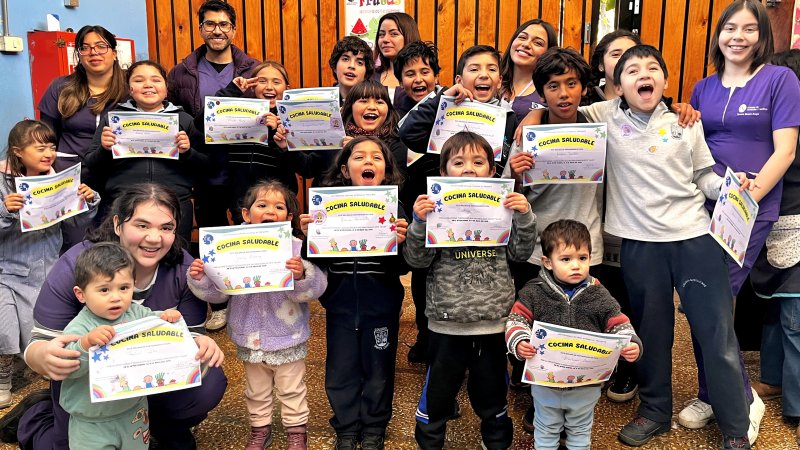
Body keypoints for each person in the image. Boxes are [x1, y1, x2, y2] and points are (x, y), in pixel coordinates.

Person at [571, 44, 752, 449]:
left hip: (694, 239)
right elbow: (556, 117)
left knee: (715, 333)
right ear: (617, 86)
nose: (643, 74)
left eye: (652, 67)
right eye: (632, 70)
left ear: (665, 81)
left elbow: (704, 175)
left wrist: (728, 187)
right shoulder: (602, 120)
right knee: (651, 334)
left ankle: (735, 425)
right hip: (640, 246)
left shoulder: (686, 123)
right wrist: (529, 115)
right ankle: (655, 411)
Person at [12, 184, 226, 450]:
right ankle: (38, 415)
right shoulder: (79, 264)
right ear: (117, 224)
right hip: (87, 392)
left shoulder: (184, 269)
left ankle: (163, 425)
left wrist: (199, 342)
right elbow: (40, 342)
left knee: (211, 378)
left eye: (166, 228)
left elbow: (191, 334)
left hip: (148, 383)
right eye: (142, 225)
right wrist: (43, 357)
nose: (154, 238)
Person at [682, 1, 800, 442]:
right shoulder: (703, 86)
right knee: (700, 301)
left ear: (762, 37)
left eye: (750, 29)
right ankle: (713, 393)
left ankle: (739, 396)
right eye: (730, 28)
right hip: (701, 204)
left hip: (750, 206)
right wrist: (683, 111)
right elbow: (690, 144)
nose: (738, 36)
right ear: (718, 34)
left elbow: (784, 150)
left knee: (712, 300)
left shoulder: (779, 80)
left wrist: (751, 192)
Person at [404, 131, 536, 450]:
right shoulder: (433, 208)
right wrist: (419, 222)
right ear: (443, 172)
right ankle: (430, 441)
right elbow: (416, 260)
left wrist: (524, 215)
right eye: (459, 162)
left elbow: (520, 254)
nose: (468, 169)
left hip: (493, 322)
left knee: (492, 391)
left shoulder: (504, 206)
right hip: (447, 321)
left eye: (478, 162)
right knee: (438, 393)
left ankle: (497, 441)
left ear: (492, 171)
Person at [502, 46, 604, 429]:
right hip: (536, 249)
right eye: (553, 86)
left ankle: (573, 397)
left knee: (576, 325)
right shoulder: (529, 134)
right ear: (541, 93)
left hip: (582, 245)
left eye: (571, 84)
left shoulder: (597, 123)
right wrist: (515, 172)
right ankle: (533, 392)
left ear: (583, 87)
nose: (563, 93)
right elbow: (508, 197)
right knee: (534, 322)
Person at [187, 181, 327, 450]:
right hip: (250, 336)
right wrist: (202, 278)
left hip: (289, 336)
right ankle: (259, 429)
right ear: (246, 214)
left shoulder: (296, 247)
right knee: (256, 390)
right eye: (261, 205)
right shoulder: (226, 247)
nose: (270, 211)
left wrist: (301, 275)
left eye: (278, 207)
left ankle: (296, 432)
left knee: (292, 389)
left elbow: (315, 288)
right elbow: (219, 295)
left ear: (288, 218)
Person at [299, 136, 408, 450]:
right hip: (340, 306)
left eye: (376, 157)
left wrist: (401, 241)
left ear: (386, 171)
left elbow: (402, 268)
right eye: (359, 157)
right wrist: (310, 237)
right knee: (341, 370)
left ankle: (374, 428)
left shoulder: (394, 208)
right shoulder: (327, 206)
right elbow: (317, 261)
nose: (368, 161)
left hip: (381, 306)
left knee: (379, 369)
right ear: (345, 170)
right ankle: (346, 428)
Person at [505, 219, 641, 450]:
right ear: (547, 262)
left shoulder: (598, 294)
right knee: (545, 430)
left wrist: (630, 343)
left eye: (582, 258)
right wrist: (520, 341)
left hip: (586, 386)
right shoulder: (534, 292)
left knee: (580, 432)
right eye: (566, 259)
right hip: (545, 385)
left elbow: (618, 322)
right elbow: (516, 320)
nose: (576, 266)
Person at [168, 0, 260, 332]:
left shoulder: (253, 68)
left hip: (245, 167)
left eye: (224, 24)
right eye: (210, 24)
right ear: (201, 28)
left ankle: (253, 300)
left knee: (250, 232)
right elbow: (175, 118)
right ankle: (219, 303)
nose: (217, 30)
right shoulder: (182, 72)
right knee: (212, 235)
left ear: (234, 29)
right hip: (205, 168)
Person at [0, 120, 99, 409]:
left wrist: (88, 200)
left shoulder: (60, 180)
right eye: (39, 147)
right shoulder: (3, 184)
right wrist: (7, 211)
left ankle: (37, 363)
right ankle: (2, 377)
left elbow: (78, 222)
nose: (48, 153)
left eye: (52, 147)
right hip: (8, 270)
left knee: (41, 325)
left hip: (47, 270)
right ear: (18, 152)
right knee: (4, 325)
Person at [60, 243, 183, 450]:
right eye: (104, 290)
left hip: (133, 412)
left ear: (133, 285)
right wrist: (85, 343)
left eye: (124, 288)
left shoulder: (136, 313)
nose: (116, 297)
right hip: (91, 422)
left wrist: (165, 318)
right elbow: (67, 366)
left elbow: (153, 324)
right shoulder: (80, 328)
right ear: (81, 294)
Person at [86, 60, 207, 243]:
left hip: (174, 204)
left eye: (156, 80)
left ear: (166, 87)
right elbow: (91, 165)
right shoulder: (113, 120)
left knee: (174, 260)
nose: (148, 85)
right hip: (124, 203)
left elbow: (206, 165)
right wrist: (104, 150)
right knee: (121, 262)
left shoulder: (184, 120)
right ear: (130, 88)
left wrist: (188, 152)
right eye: (139, 80)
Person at [748, 47, 800, 446]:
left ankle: (797, 401)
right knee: (773, 307)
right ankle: (772, 379)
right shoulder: (767, 125)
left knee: (795, 318)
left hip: (797, 226)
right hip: (767, 225)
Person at [37, 24, 128, 251]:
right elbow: (45, 136)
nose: (93, 53)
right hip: (72, 180)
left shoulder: (129, 88)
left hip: (117, 178)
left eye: (100, 46)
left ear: (114, 53)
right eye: (85, 48)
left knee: (116, 245)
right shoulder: (61, 87)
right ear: (78, 55)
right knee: (77, 246)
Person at [201, 61, 302, 225]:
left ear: (287, 89)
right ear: (252, 86)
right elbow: (200, 123)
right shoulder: (235, 112)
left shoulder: (292, 121)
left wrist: (274, 133)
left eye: (276, 82)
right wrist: (232, 91)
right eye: (262, 81)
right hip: (241, 198)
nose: (269, 87)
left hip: (277, 201)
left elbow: (302, 167)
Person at [400, 45, 518, 179]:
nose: (484, 75)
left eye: (491, 69)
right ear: (459, 81)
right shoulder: (443, 110)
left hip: (487, 196)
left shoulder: (508, 117)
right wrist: (442, 99)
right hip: (444, 196)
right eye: (474, 69)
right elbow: (409, 134)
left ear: (499, 81)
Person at [498, 19, 557, 123]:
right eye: (522, 37)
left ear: (549, 53)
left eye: (538, 43)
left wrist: (541, 111)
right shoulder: (491, 79)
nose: (526, 44)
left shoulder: (550, 90)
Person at [586, 30, 642, 104]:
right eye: (616, 55)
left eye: (631, 53)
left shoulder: (652, 103)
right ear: (601, 64)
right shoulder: (584, 104)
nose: (624, 59)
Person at [372, 13, 421, 91]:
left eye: (394, 34)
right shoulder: (370, 76)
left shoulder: (422, 77)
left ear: (408, 36)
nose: (385, 39)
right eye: (381, 34)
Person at [392, 41, 442, 118]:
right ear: (400, 82)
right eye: (410, 74)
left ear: (436, 77)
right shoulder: (395, 117)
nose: (418, 80)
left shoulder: (452, 103)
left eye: (424, 72)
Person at [329, 36, 376, 105]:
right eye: (345, 59)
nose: (352, 66)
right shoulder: (323, 100)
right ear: (335, 66)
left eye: (359, 63)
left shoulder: (374, 104)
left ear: (366, 72)